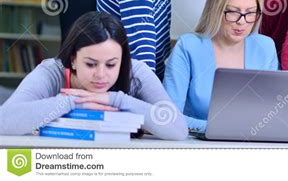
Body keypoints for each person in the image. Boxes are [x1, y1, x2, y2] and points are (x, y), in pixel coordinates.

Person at [0, 11, 188, 140]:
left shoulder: (136, 71)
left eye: (111, 64)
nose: (101, 74)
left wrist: (115, 100)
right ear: (73, 59)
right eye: (90, 64)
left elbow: (179, 129)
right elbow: (3, 122)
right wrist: (73, 101)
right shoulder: (51, 72)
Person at [163, 0, 279, 132]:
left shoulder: (265, 47)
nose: (242, 21)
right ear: (215, 9)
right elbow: (169, 116)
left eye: (251, 13)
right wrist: (218, 128)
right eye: (233, 12)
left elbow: (271, 112)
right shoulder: (188, 47)